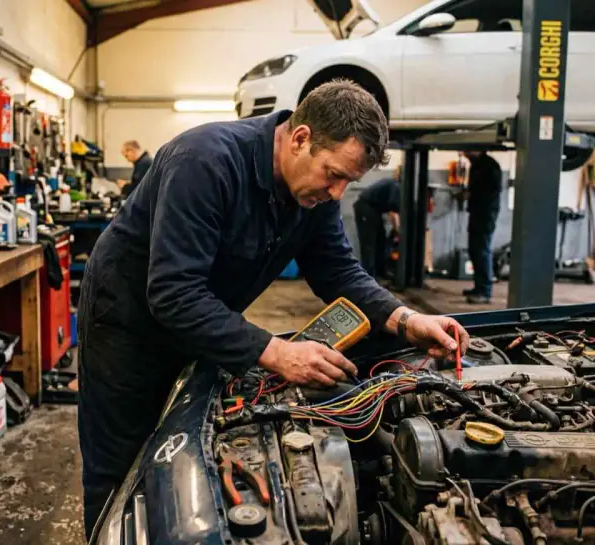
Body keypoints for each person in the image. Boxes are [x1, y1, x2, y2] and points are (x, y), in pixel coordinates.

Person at [77, 80, 470, 538]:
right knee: (120, 469)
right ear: (300, 138)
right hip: (127, 324)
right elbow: (173, 292)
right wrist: (278, 353)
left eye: (350, 181)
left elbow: (336, 270)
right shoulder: (205, 162)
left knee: (179, 452)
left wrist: (407, 320)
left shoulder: (314, 191)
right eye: (334, 174)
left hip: (199, 318)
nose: (338, 192)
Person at [463, 150, 503, 304]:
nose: (464, 154)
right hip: (476, 213)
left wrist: (474, 196)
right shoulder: (476, 165)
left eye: (467, 151)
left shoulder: (490, 166)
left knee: (482, 251)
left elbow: (491, 191)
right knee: (474, 250)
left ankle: (485, 291)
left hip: (486, 214)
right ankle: (478, 287)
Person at [353, 165, 402, 278]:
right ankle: (369, 277)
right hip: (365, 208)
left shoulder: (394, 185)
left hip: (375, 211)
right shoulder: (395, 186)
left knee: (381, 241)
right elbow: (393, 212)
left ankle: (380, 273)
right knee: (369, 244)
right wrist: (398, 231)